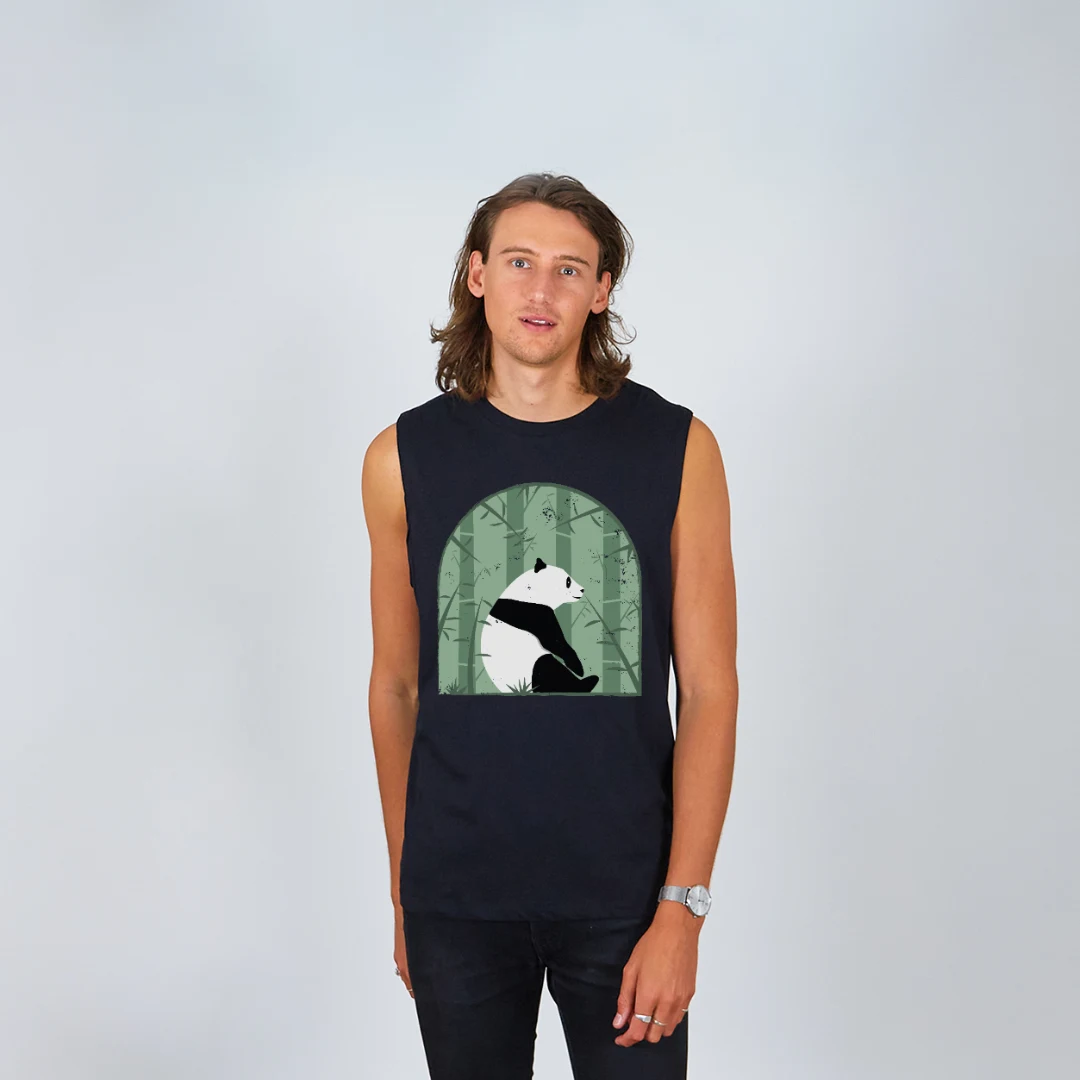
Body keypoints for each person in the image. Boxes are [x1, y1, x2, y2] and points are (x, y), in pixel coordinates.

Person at [362, 172, 738, 1079]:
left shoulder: (679, 448)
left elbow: (710, 691)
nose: (542, 289)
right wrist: (408, 892)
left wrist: (682, 910)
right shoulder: (400, 458)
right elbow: (397, 685)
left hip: (626, 900)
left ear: (601, 290)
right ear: (477, 275)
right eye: (519, 261)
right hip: (457, 900)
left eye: (570, 269)